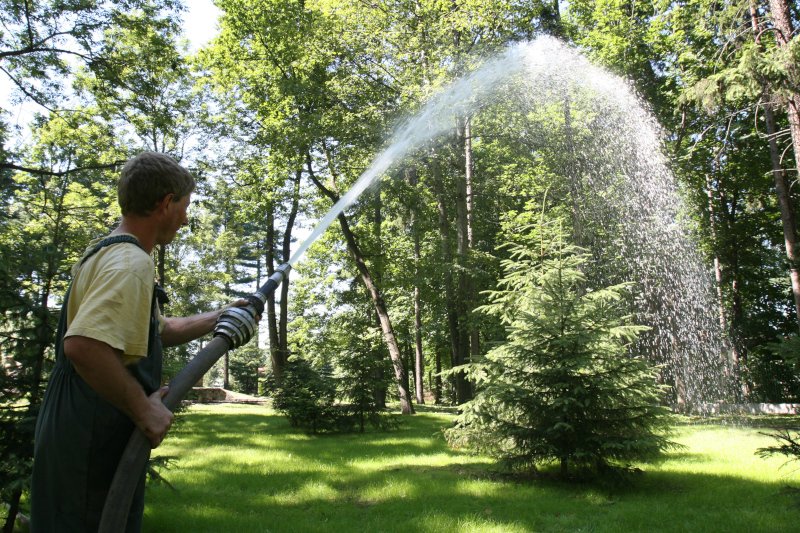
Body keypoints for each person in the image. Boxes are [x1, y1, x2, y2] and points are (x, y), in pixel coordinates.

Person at [30, 152, 253, 532]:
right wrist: (144, 409)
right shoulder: (131, 263)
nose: (185, 218)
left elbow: (157, 329)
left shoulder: (107, 252)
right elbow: (84, 345)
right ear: (166, 203)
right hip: (91, 438)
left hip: (76, 429)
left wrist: (220, 316)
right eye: (184, 207)